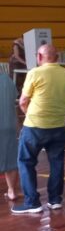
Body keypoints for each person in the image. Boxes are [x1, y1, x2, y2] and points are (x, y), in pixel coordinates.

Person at [12, 45, 65, 214]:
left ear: (39, 56)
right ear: (57, 57)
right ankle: (55, 199)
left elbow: (23, 101)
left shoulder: (35, 73)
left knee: (26, 162)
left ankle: (32, 202)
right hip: (58, 126)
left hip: (34, 126)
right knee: (57, 163)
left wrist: (29, 115)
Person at [1, 73, 19, 201]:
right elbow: (14, 101)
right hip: (9, 124)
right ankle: (11, 191)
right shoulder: (7, 80)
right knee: (11, 159)